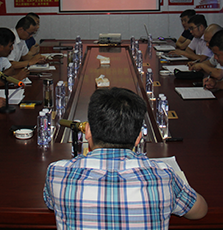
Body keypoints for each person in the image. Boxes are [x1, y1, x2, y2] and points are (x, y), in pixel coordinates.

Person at [44, 87, 208, 229]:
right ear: (138, 138)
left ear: (87, 131)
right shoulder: (164, 176)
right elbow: (200, 211)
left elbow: (51, 203)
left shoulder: (57, 173)